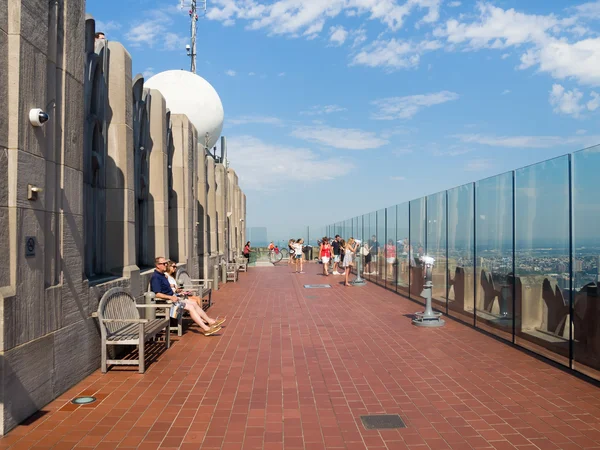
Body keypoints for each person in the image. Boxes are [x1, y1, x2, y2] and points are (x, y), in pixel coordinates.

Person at [150, 256, 222, 336]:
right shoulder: (156, 277)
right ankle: (206, 329)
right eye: (164, 264)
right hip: (167, 303)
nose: (166, 265)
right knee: (190, 307)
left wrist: (174, 288)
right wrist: (170, 297)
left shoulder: (162, 275)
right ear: (157, 265)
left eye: (166, 263)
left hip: (174, 299)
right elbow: (157, 293)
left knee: (194, 303)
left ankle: (210, 322)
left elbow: (164, 287)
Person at [165, 261, 225, 328]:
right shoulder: (166, 276)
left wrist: (179, 290)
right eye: (173, 267)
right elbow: (167, 289)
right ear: (168, 267)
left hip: (179, 295)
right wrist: (176, 290)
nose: (175, 268)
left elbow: (173, 288)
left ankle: (205, 320)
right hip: (175, 298)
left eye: (176, 266)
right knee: (194, 302)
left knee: (197, 300)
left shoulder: (172, 276)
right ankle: (203, 321)